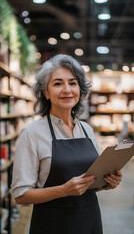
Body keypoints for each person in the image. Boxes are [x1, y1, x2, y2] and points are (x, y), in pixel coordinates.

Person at [11, 54, 122, 234]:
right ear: (45, 92)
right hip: (52, 225)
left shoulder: (86, 130)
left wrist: (105, 183)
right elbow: (21, 195)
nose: (67, 90)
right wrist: (63, 190)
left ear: (80, 89)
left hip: (90, 221)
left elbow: (89, 183)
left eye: (73, 83)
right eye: (57, 83)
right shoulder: (32, 133)